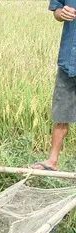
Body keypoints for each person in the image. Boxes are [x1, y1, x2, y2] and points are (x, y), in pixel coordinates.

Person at [35, 1, 76, 171]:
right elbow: (57, 11)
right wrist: (61, 13)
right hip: (70, 57)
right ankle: (52, 161)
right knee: (62, 111)